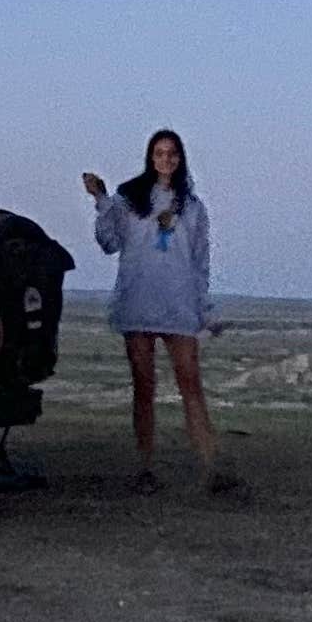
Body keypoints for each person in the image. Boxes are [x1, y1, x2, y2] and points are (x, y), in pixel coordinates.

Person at [81, 130, 241, 495]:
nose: (165, 160)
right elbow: (109, 242)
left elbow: (200, 262)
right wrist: (101, 200)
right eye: (159, 153)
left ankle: (211, 466)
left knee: (191, 385)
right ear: (150, 158)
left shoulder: (193, 208)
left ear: (180, 159)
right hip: (139, 301)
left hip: (178, 305)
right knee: (144, 386)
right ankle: (145, 467)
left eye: (171, 154)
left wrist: (203, 308)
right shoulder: (130, 198)